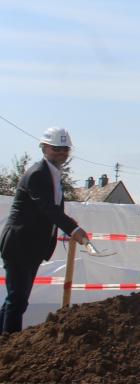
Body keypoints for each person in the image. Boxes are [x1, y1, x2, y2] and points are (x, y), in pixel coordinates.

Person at [0, 127, 89, 333]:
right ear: (44, 147)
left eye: (65, 149)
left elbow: (53, 208)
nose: (62, 153)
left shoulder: (53, 173)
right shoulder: (38, 174)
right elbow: (47, 208)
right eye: (57, 148)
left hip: (31, 246)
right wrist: (73, 228)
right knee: (18, 300)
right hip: (19, 243)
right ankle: (9, 345)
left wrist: (69, 224)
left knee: (16, 299)